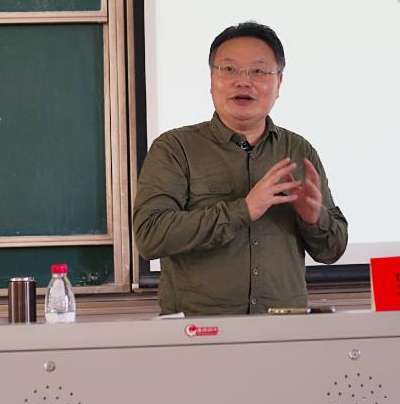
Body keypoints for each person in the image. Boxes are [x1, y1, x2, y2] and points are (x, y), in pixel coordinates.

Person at [133, 21, 348, 316]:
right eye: (229, 69)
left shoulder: (299, 150)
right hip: (200, 330)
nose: (243, 81)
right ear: (211, 79)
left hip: (284, 328)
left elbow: (332, 250)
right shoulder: (175, 148)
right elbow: (150, 236)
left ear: (279, 83)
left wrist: (313, 219)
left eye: (259, 71)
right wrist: (243, 210)